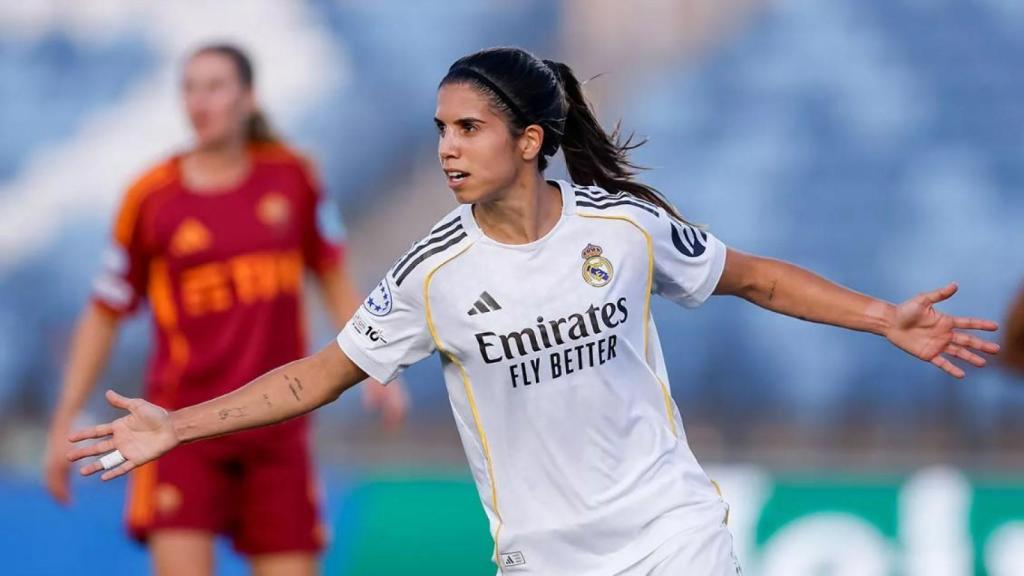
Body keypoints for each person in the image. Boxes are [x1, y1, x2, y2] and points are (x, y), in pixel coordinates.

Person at [67, 47, 1000, 575]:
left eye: (467, 128)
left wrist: (884, 316)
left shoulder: (626, 227)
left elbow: (750, 277)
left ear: (528, 139)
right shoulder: (430, 274)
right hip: (545, 559)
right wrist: (179, 424)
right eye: (438, 129)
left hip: (673, 536)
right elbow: (320, 373)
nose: (446, 148)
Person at [46, 44, 407, 576]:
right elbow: (105, 312)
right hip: (176, 427)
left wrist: (375, 365)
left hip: (277, 428)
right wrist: (62, 420)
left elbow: (330, 272)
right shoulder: (151, 198)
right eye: (190, 88)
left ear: (248, 98)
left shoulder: (294, 178)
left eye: (215, 86)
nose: (200, 101)